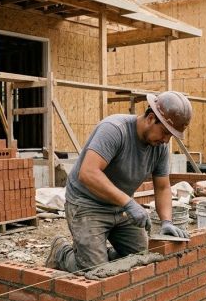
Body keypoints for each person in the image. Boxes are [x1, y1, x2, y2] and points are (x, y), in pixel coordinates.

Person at [45, 91, 193, 272]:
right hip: (87, 204)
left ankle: (97, 254)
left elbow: (162, 187)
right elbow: (88, 173)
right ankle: (61, 253)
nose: (165, 140)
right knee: (95, 271)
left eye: (170, 136)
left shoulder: (159, 147)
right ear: (151, 118)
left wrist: (167, 222)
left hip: (120, 207)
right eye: (164, 133)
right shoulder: (115, 129)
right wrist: (129, 203)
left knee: (141, 259)